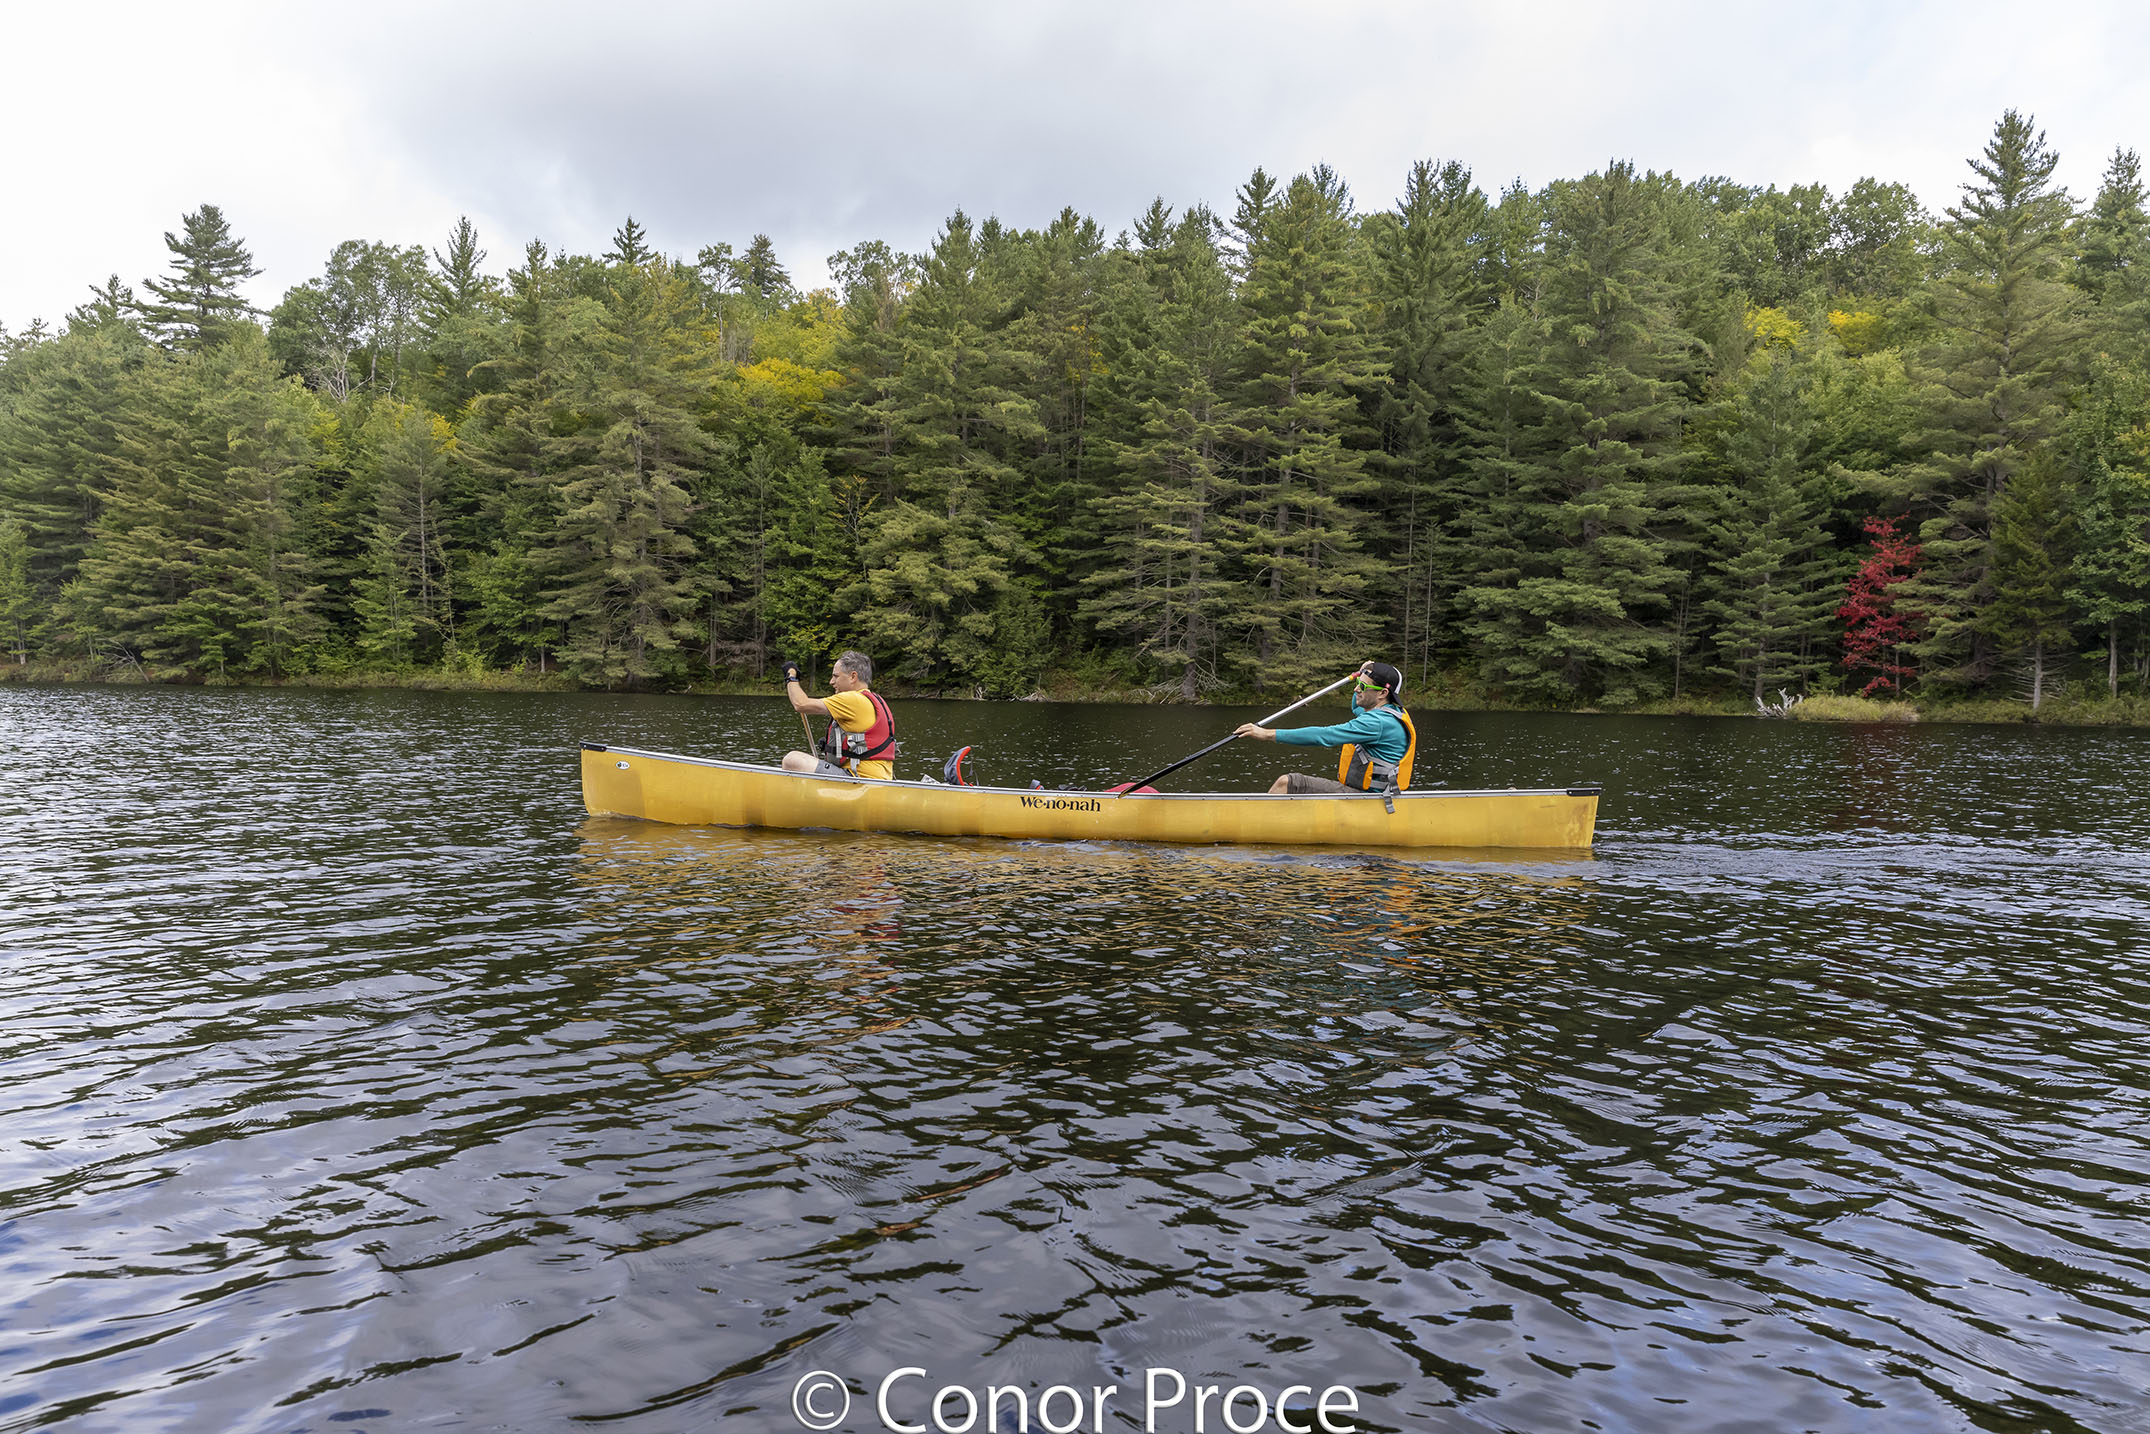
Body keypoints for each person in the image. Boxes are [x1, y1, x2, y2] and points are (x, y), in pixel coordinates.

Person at [1233, 661, 1417, 795]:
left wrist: (1267, 734)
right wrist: (1363, 673)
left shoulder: (1377, 723)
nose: (1355, 690)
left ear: (1383, 693)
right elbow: (1357, 707)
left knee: (1287, 783)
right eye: (1357, 684)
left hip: (1368, 799)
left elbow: (1325, 735)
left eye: (1362, 686)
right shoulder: (1391, 712)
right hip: (1372, 794)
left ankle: (1259, 828)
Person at [780, 650, 896, 780]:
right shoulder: (873, 699)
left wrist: (791, 675)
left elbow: (800, 704)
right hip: (878, 779)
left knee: (792, 760)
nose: (831, 682)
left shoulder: (852, 700)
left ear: (853, 677)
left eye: (836, 676)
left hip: (859, 779)